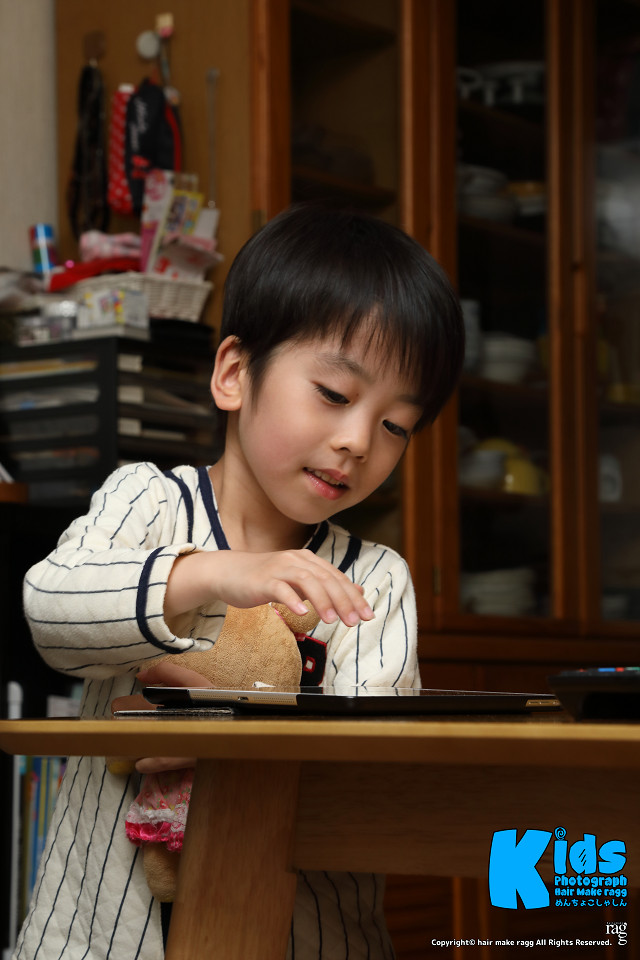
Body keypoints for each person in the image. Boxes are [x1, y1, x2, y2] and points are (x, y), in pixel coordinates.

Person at [16, 203, 464, 960]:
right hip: (99, 938)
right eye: (334, 394)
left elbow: (374, 783)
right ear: (233, 374)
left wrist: (232, 754)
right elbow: (51, 610)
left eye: (396, 426)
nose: (358, 440)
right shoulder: (146, 502)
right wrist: (219, 571)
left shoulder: (374, 581)